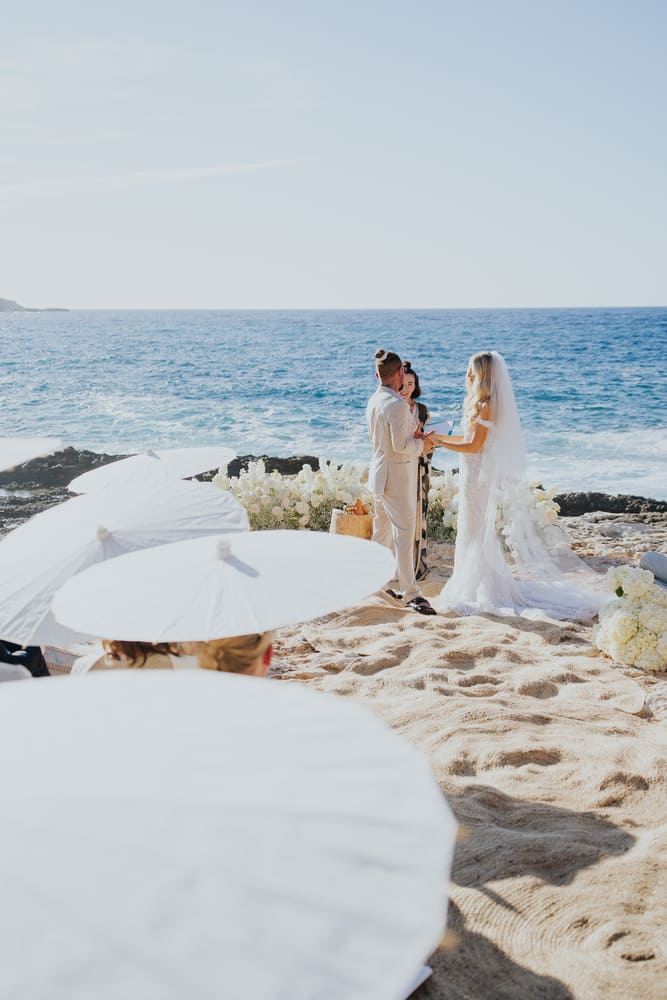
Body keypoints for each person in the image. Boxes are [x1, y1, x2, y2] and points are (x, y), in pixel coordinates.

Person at [431, 351, 606, 620]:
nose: (467, 376)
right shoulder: (477, 403)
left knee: (476, 530)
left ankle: (477, 585)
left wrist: (439, 441)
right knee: (469, 528)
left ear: (483, 376)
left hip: (479, 478)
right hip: (471, 474)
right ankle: (470, 581)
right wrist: (440, 438)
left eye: (472, 372)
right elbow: (467, 442)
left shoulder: (488, 405)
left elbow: (474, 446)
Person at [366, 349, 437, 615]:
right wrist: (424, 443)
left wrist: (413, 435)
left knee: (381, 532)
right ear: (399, 373)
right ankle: (411, 593)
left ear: (377, 374)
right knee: (404, 534)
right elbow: (402, 446)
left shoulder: (375, 400)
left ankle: (376, 581)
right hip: (396, 478)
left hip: (379, 474)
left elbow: (388, 439)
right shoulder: (396, 404)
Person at [400, 360, 431, 580]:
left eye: (411, 383)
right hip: (402, 465)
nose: (407, 388)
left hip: (420, 466)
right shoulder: (393, 407)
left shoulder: (422, 410)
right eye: (403, 383)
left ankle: (417, 563)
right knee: (403, 515)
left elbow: (428, 440)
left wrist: (428, 442)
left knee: (419, 514)